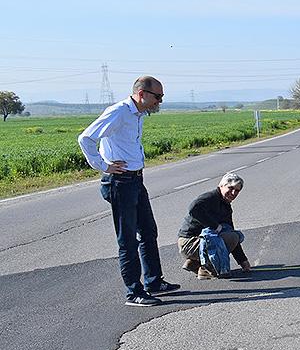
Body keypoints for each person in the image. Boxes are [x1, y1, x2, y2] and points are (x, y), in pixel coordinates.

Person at [78, 76, 179, 306]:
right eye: (157, 97)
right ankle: (134, 292)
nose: (159, 102)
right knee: (128, 240)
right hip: (120, 182)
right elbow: (86, 138)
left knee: (149, 231)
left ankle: (154, 281)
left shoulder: (138, 114)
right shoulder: (119, 112)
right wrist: (104, 166)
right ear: (142, 94)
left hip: (135, 180)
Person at [177, 172, 252, 279]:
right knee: (231, 237)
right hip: (188, 242)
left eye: (237, 190)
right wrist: (215, 226)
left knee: (232, 235)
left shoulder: (226, 207)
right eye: (230, 188)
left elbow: (231, 232)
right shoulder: (210, 197)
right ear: (221, 186)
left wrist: (243, 261)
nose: (233, 192)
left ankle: (194, 263)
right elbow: (193, 208)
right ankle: (206, 269)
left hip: (200, 242)